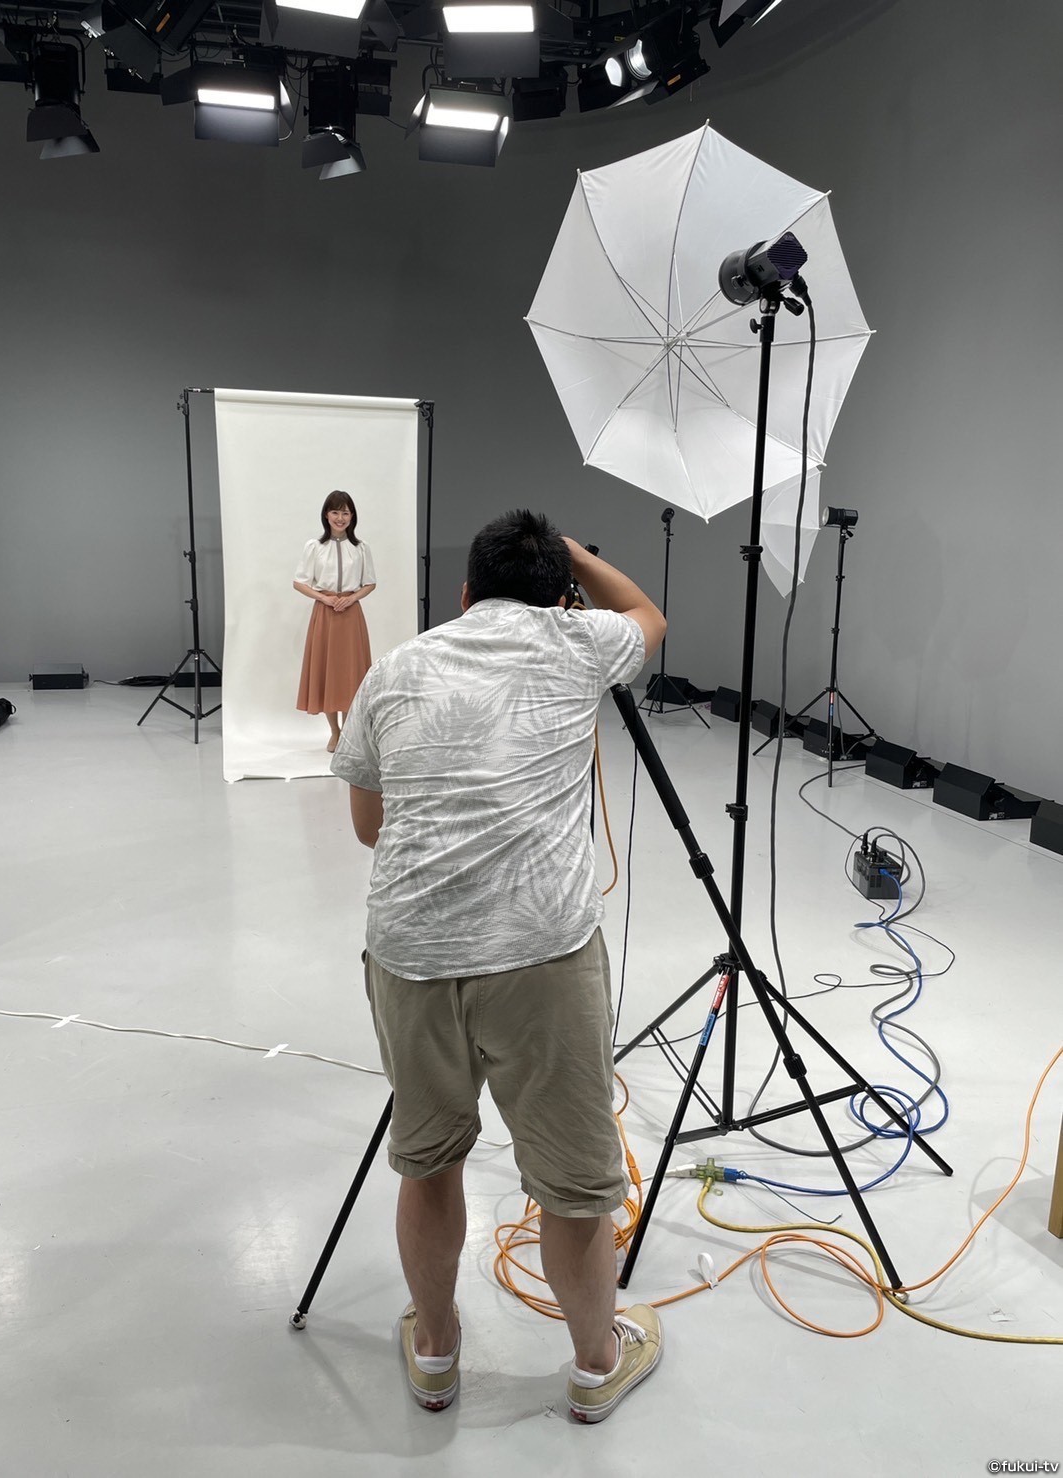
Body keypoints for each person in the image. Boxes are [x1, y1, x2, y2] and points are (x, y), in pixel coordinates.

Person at [330, 509, 667, 1423]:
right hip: (541, 959)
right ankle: (595, 1366)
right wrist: (577, 556)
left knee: (429, 1163)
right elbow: (649, 615)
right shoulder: (579, 642)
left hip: (411, 956)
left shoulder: (395, 668)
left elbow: (367, 827)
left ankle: (436, 1353)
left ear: (464, 594)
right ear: (559, 594)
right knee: (574, 1186)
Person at [294, 491, 377, 752]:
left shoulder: (361, 548)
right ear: (326, 515)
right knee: (327, 670)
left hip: (351, 616)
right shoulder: (314, 547)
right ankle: (335, 732)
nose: (340, 518)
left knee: (351, 671)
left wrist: (351, 599)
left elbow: (370, 583)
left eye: (345, 512)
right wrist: (325, 599)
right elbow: (299, 582)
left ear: (352, 516)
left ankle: (350, 733)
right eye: (335, 512)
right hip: (325, 614)